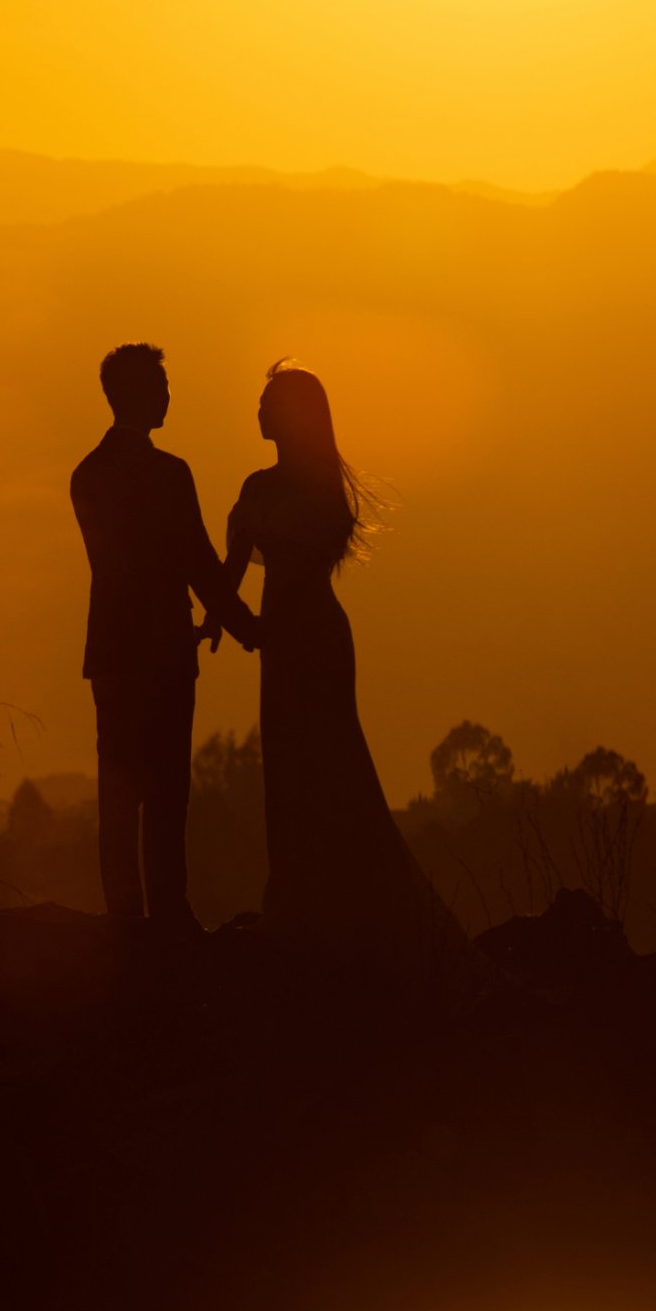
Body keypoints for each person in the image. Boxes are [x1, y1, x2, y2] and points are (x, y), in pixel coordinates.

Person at [218, 363, 458, 967]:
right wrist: (220, 619)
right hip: (280, 643)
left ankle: (334, 908)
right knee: (287, 767)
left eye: (269, 402)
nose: (259, 412)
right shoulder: (261, 487)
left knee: (329, 764)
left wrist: (242, 622)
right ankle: (298, 900)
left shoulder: (316, 492)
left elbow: (284, 568)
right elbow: (232, 569)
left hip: (314, 641)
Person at [70, 344, 250, 936]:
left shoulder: (87, 475)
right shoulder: (170, 474)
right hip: (164, 651)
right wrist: (246, 625)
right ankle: (169, 915)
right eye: (163, 385)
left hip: (117, 655)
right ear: (142, 394)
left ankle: (127, 918)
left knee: (121, 790)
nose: (170, 396)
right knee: (168, 789)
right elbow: (195, 557)